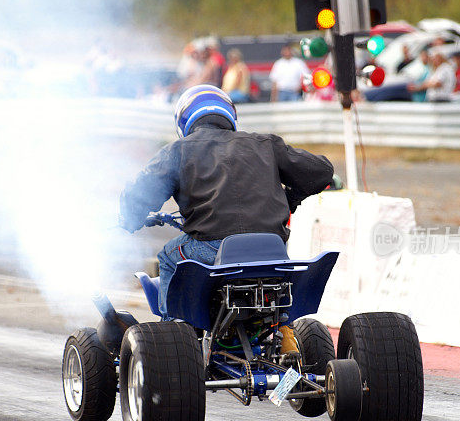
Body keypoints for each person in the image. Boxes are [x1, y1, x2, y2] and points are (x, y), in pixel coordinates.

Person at [119, 84, 334, 355]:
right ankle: (283, 329)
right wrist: (291, 199)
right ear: (229, 115)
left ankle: (171, 339)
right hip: (272, 249)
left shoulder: (178, 151)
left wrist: (129, 219)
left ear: (185, 120)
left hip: (212, 246)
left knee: (168, 255)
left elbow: (139, 195)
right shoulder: (265, 144)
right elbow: (322, 171)